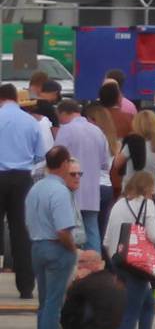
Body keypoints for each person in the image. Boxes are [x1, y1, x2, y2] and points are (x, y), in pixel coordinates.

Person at [1, 87, 53, 301]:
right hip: (22, 178)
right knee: (21, 232)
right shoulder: (30, 121)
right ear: (15, 98)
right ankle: (25, 286)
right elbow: (40, 154)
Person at [105, 170, 155, 329]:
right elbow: (152, 234)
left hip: (119, 260)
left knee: (148, 303)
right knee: (133, 309)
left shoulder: (119, 204)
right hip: (137, 264)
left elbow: (107, 239)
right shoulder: (147, 205)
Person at [54, 101, 110, 253]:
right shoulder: (98, 132)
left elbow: (56, 158)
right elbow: (105, 163)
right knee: (92, 230)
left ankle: (73, 266)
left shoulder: (65, 130)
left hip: (69, 189)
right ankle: (95, 268)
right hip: (92, 189)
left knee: (68, 229)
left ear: (64, 113)